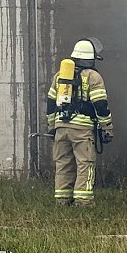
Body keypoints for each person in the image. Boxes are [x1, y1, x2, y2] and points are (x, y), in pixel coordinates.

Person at [46, 38, 114, 206]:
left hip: (61, 127)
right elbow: (101, 104)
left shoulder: (59, 76)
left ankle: (62, 200)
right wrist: (107, 127)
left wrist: (52, 126)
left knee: (63, 164)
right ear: (90, 58)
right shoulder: (93, 76)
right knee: (85, 164)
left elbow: (50, 103)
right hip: (82, 130)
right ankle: (83, 202)